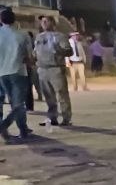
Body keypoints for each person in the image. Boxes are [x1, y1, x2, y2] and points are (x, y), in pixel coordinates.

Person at [0, 8, 32, 142]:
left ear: (1, 20)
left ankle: (18, 129)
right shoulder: (23, 35)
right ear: (14, 20)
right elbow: (29, 56)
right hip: (18, 72)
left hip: (1, 73)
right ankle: (18, 128)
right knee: (18, 103)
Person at [34, 16, 72, 127]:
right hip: (42, 69)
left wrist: (59, 49)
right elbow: (35, 52)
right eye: (42, 21)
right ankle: (52, 118)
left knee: (62, 95)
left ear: (52, 23)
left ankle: (66, 118)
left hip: (55, 68)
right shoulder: (39, 37)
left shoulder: (60, 36)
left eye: (46, 21)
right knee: (48, 96)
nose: (44, 23)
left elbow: (69, 52)